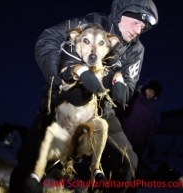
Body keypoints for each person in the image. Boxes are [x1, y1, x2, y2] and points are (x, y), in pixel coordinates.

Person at [9, 0, 159, 193]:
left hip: (100, 108)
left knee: (127, 160)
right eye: (137, 22)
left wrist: (121, 90)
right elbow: (48, 39)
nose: (139, 30)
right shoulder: (91, 22)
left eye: (143, 27)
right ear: (123, 13)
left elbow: (128, 86)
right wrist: (61, 77)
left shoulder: (136, 50)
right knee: (35, 160)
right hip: (64, 97)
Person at [115, 78, 162, 193]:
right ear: (146, 88)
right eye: (149, 90)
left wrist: (151, 144)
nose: (150, 94)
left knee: (133, 170)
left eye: (153, 93)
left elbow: (151, 129)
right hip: (123, 138)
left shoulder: (152, 110)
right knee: (117, 166)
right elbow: (119, 111)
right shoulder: (133, 97)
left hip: (138, 144)